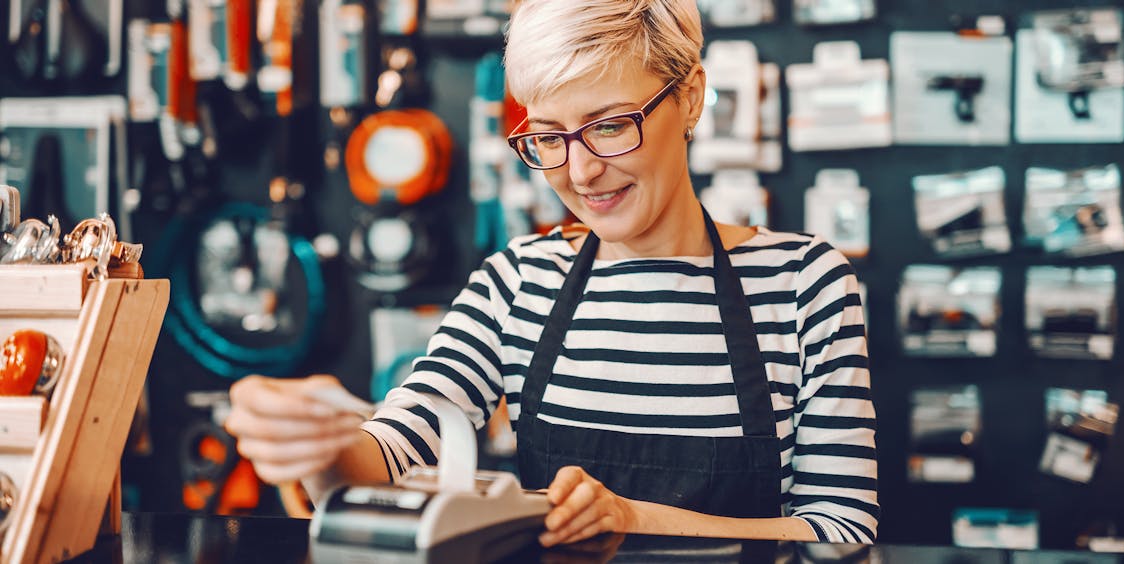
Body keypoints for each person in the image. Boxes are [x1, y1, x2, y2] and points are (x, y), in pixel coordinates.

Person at [225, 0, 878, 547]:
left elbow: (842, 531)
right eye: (548, 136)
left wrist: (629, 518)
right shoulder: (516, 283)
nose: (581, 170)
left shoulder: (803, 284)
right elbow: (396, 450)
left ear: (692, 97)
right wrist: (314, 449)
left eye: (610, 126)